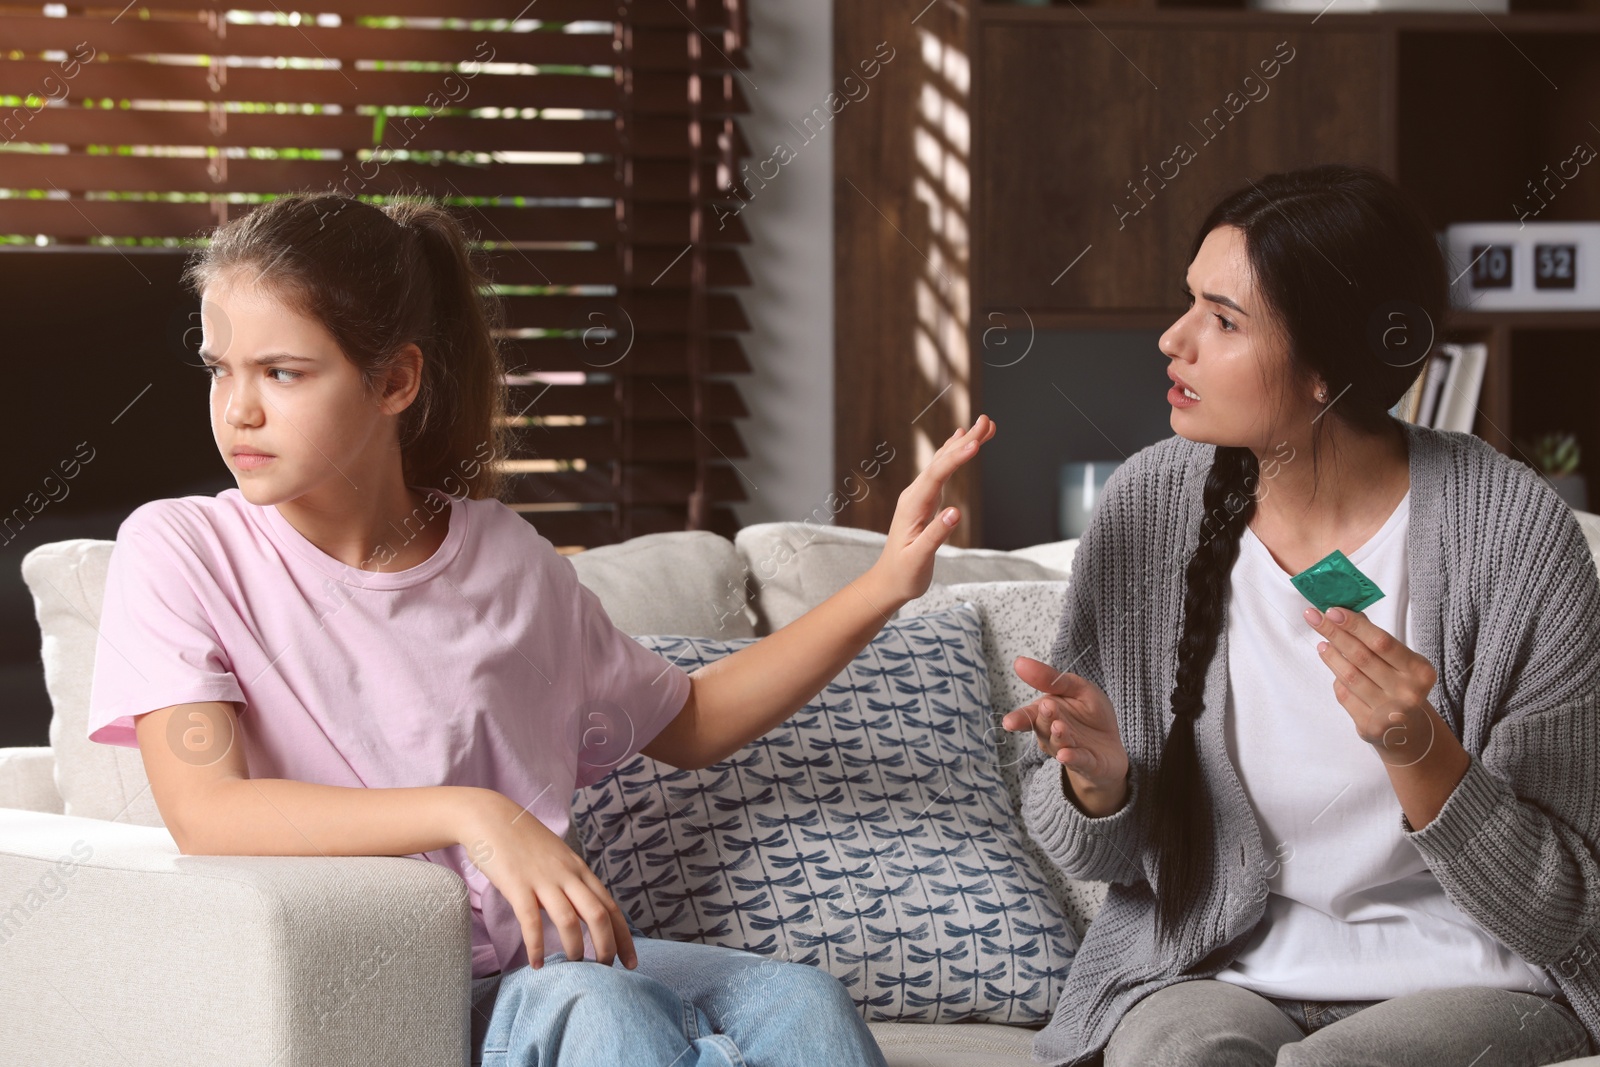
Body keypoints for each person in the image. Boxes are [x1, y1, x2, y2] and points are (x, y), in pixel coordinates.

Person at [83, 190, 998, 1067]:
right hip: (397, 983)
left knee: (802, 1000)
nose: (237, 409)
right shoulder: (183, 549)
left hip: (547, 962)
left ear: (395, 379)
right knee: (601, 1007)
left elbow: (691, 721)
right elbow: (208, 810)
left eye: (281, 372)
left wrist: (882, 585)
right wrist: (473, 813)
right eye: (219, 368)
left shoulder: (506, 557)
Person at [1001, 162, 1600, 1067]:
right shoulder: (1149, 507)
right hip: (1220, 966)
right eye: (1187, 302)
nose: (1173, 339)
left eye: (1223, 319)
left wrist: (1422, 751)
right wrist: (1099, 782)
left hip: (1480, 976)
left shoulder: (1514, 534)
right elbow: (1095, 851)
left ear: (1326, 367)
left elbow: (1565, 909)